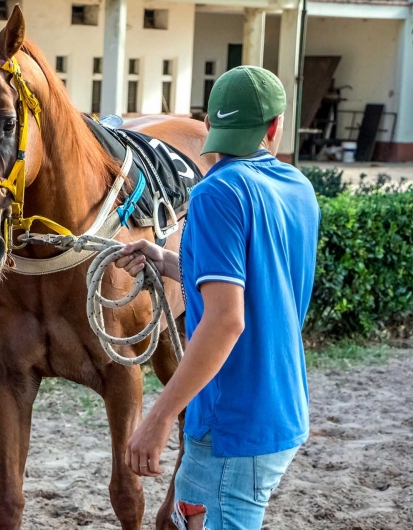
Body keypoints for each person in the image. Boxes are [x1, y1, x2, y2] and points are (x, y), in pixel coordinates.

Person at [114, 66, 320, 530]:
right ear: (274, 127)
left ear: (208, 126)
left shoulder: (215, 193)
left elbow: (227, 319)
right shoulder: (297, 187)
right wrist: (166, 260)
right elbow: (260, 282)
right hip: (280, 411)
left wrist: (159, 416)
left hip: (231, 424)